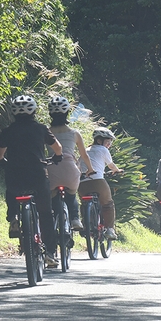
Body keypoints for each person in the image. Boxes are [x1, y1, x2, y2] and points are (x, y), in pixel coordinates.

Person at [0, 95, 63, 268]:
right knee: (45, 213)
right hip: (37, 175)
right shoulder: (41, 129)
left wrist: (2, 162)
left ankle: (14, 216)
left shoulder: (8, 131)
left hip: (15, 174)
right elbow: (58, 148)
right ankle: (50, 252)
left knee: (11, 190)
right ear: (34, 111)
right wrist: (57, 157)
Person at [47, 96, 95, 231]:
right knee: (72, 194)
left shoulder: (47, 132)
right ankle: (75, 219)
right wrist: (90, 169)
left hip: (52, 169)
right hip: (70, 170)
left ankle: (56, 220)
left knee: (53, 195)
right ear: (67, 113)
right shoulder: (75, 133)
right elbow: (84, 155)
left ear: (50, 114)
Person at [79, 127, 123, 239]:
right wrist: (117, 170)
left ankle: (86, 225)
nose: (109, 145)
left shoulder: (86, 150)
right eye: (108, 142)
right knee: (108, 204)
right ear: (99, 140)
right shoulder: (103, 150)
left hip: (82, 183)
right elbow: (111, 165)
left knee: (84, 203)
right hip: (98, 181)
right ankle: (109, 230)